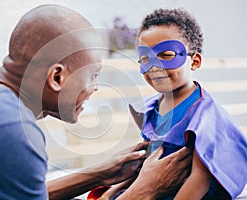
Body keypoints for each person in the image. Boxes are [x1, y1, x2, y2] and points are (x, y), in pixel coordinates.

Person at [0, 4, 193, 200]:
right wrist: (145, 191)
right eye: (93, 76)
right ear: (57, 77)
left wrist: (99, 174)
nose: (96, 87)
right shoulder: (9, 131)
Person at [98, 8, 247, 200]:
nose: (154, 66)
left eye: (166, 55)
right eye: (145, 58)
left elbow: (200, 179)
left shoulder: (204, 118)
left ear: (194, 62)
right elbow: (146, 164)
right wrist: (109, 194)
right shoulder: (150, 110)